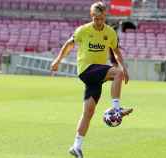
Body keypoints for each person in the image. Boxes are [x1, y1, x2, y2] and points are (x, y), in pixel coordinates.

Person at [50, 2, 133, 158]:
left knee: (88, 112)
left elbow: (116, 52)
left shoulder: (110, 33)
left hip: (97, 75)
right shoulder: (83, 30)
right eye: (95, 18)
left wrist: (125, 67)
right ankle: (116, 108)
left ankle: (76, 146)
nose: (98, 22)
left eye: (101, 18)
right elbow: (69, 44)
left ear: (105, 17)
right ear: (91, 16)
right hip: (86, 70)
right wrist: (57, 60)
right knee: (117, 73)